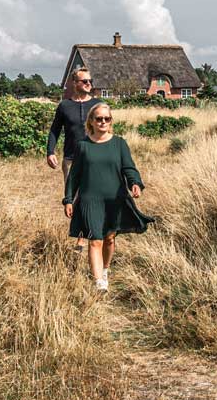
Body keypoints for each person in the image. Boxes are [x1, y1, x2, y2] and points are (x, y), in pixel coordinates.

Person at [63, 103, 153, 292]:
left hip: (115, 199)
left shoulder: (119, 143)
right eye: (99, 118)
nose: (103, 122)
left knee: (109, 238)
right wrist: (69, 199)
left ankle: (105, 269)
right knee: (95, 239)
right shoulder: (83, 145)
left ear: (111, 121)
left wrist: (134, 183)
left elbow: (128, 167)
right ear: (91, 122)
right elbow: (74, 175)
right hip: (90, 199)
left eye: (107, 118)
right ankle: (99, 283)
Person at [47, 68, 103, 252]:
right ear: (74, 83)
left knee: (90, 197)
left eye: (90, 81)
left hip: (94, 157)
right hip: (71, 159)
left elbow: (107, 130)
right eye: (84, 81)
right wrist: (50, 151)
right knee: (75, 198)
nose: (89, 84)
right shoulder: (64, 106)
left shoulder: (97, 105)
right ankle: (81, 235)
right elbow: (55, 130)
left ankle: (84, 238)